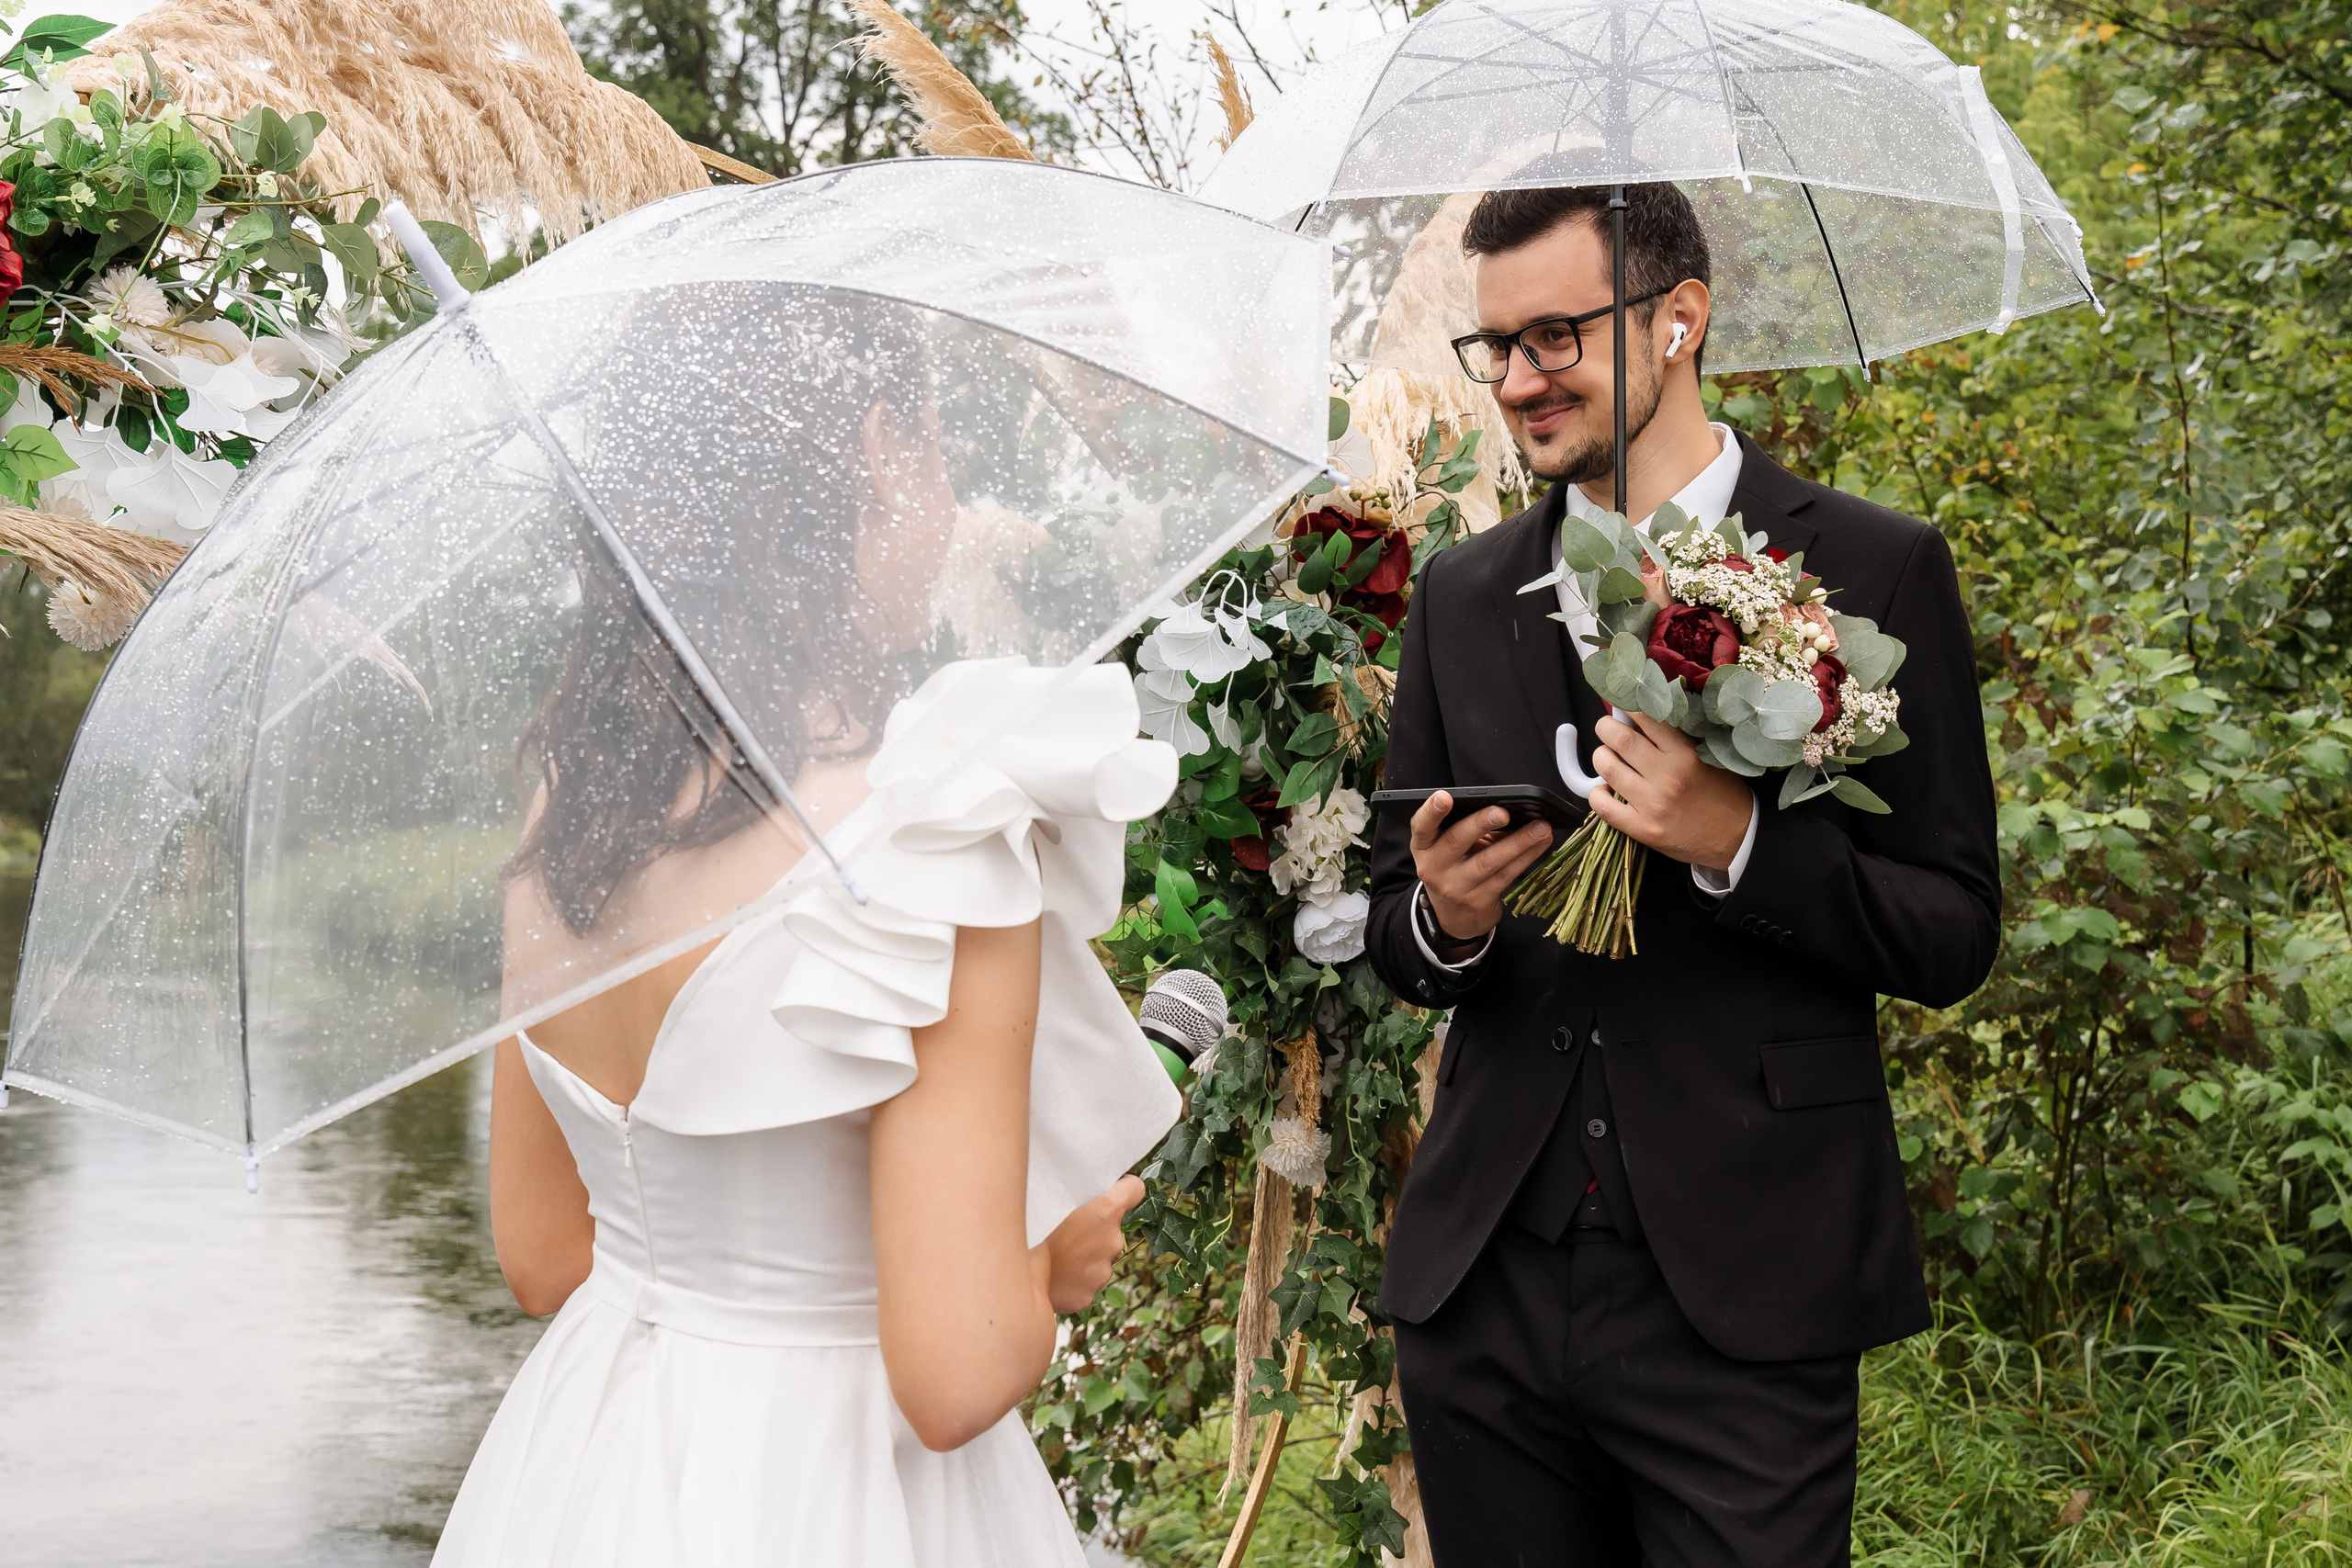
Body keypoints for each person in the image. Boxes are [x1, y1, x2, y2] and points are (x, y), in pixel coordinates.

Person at [430, 295, 1181, 1567]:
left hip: (586, 1477)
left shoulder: (565, 820)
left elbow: (547, 1258)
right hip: (842, 1503)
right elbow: (954, 1378)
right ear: (881, 454)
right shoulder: (935, 834)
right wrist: (1043, 1272)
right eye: (935, 453)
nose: (944, 512)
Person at [1366, 182, 2000, 1565]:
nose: (1520, 383)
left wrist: (1745, 846)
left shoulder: (1876, 567)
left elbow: (1954, 933)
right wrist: (1445, 919)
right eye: (1497, 350)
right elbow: (1388, 930)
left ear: (1677, 323)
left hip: (1753, 1292)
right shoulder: (1461, 595)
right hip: (1489, 1298)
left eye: (1554, 338)